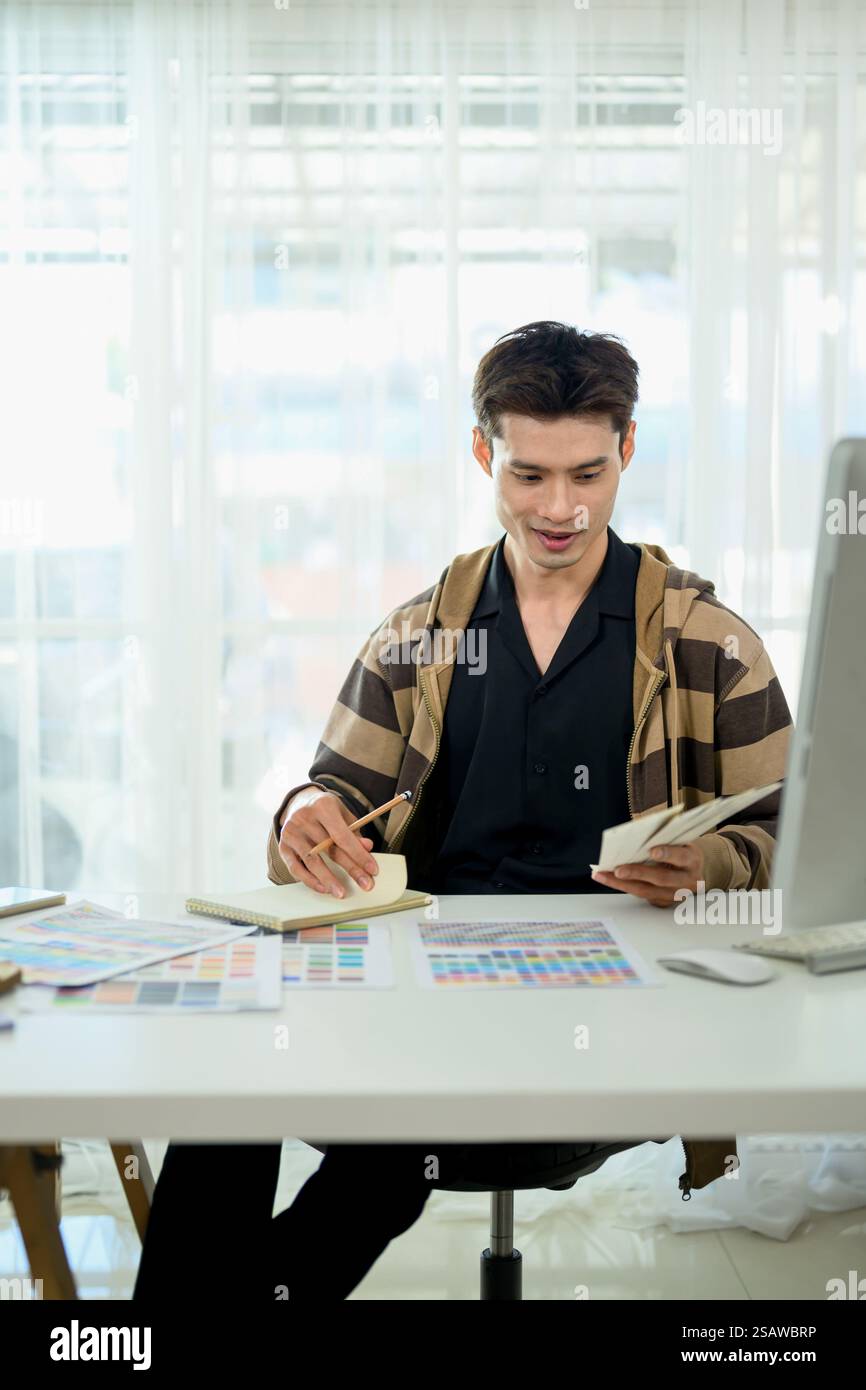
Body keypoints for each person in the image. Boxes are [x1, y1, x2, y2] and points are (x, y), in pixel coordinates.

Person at [134, 320, 792, 1301]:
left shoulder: (708, 641)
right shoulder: (416, 635)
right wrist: (304, 813)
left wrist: (718, 864)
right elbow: (335, 798)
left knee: (390, 1143)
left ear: (628, 450)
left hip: (615, 1018)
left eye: (587, 473)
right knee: (229, 1081)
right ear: (482, 452)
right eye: (528, 475)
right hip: (422, 992)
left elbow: (791, 828)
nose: (559, 508)